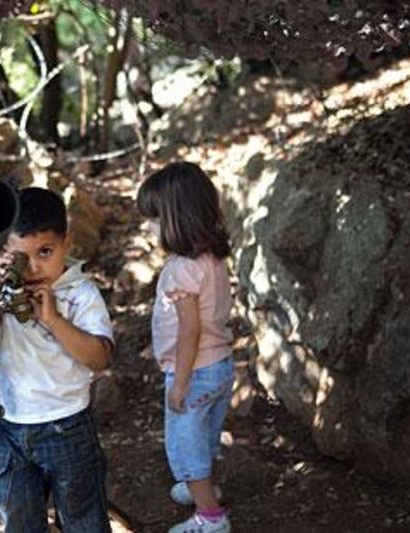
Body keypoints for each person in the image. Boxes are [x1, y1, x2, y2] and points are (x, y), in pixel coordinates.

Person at [0, 187, 113, 532]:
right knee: (19, 519)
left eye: (45, 252)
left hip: (68, 425)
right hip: (12, 424)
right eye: (21, 257)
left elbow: (100, 357)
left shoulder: (80, 294)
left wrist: (55, 320)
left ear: (67, 243)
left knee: (83, 519)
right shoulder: (6, 291)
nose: (33, 267)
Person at [136, 162, 234, 533]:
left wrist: (180, 382)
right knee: (203, 434)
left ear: (177, 218)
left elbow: (189, 329)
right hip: (221, 365)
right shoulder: (212, 259)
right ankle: (204, 488)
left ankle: (210, 516)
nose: (149, 228)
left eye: (154, 219)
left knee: (184, 442)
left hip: (194, 370)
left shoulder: (179, 270)